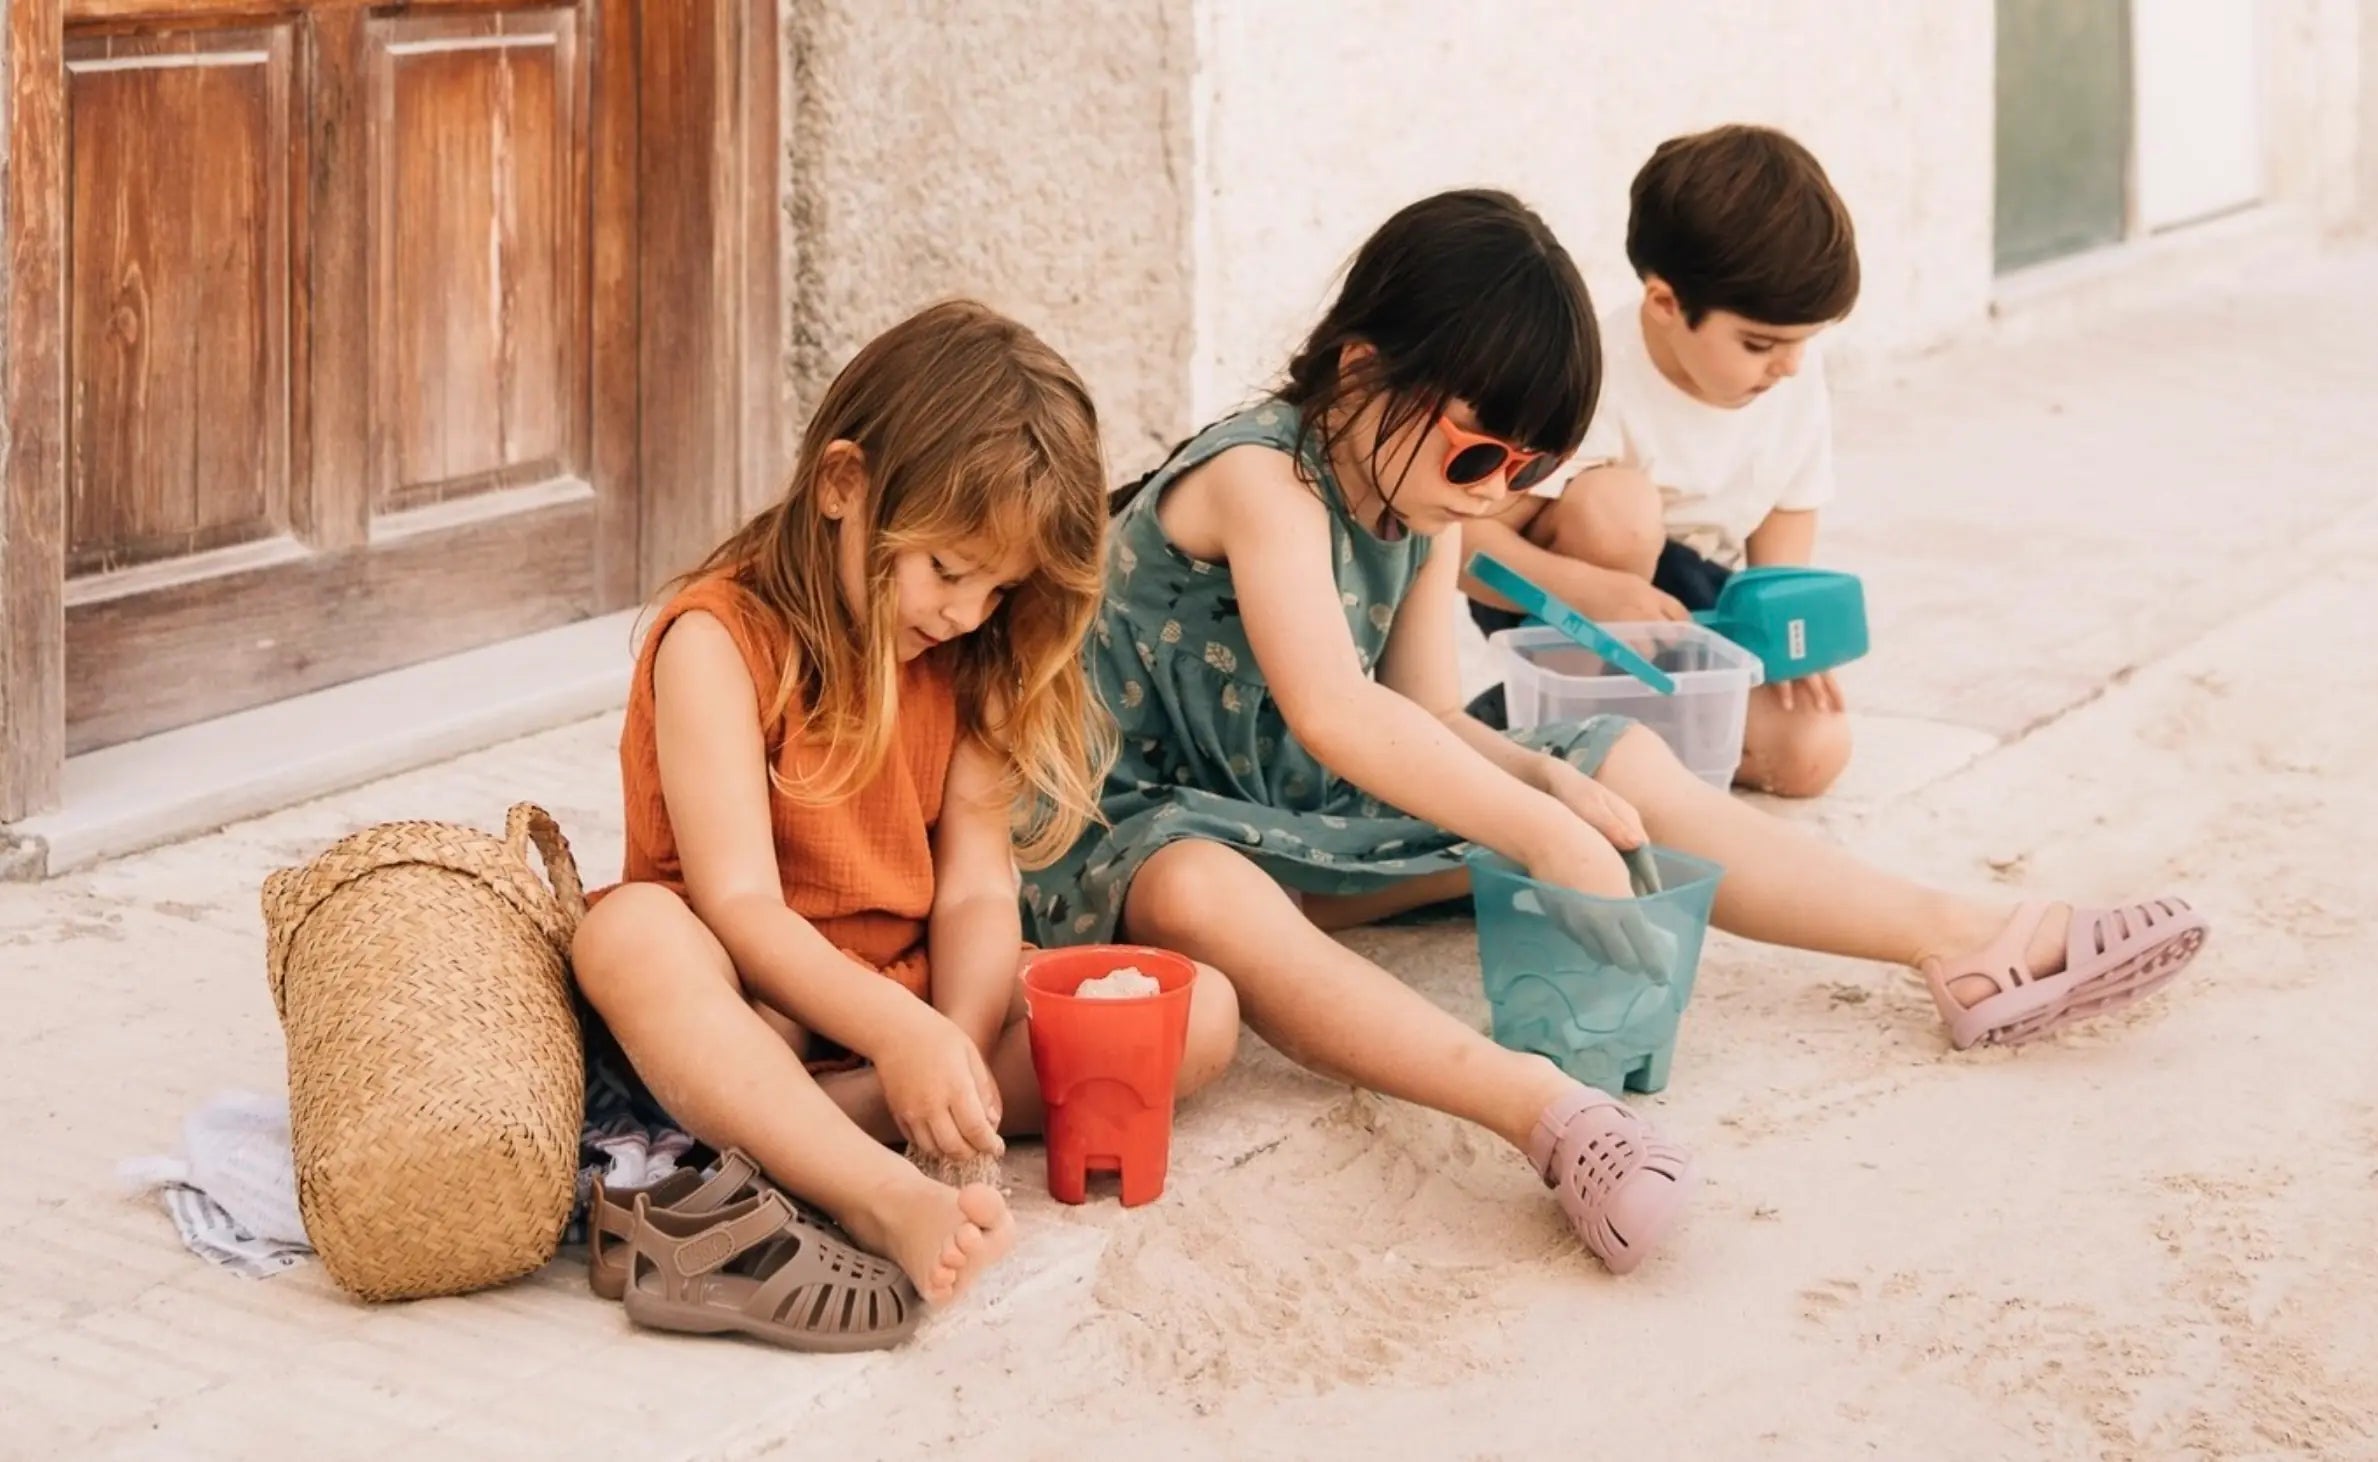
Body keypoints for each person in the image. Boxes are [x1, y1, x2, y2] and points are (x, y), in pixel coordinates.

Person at [1023, 190, 2208, 1276]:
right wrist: (1535, 830)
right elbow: (1340, 714)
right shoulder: (1260, 478)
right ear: (1359, 367)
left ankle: (1966, 938)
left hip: (1298, 811)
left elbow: (1428, 714)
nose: (1494, 491)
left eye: (1525, 467)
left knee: (1615, 763)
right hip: (1147, 827)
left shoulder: (1425, 498)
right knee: (1203, 896)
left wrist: (1554, 783)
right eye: (1478, 452)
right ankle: (1545, 1114)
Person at [571, 301, 1241, 1337]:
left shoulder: (971, 653)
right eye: (946, 571)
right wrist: (898, 1035)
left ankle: (805, 1143)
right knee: (625, 936)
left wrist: (952, 1047)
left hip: (911, 1005)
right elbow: (740, 906)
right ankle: (878, 1193)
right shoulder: (717, 640)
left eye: (998, 588)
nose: (966, 613)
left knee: (1197, 1011)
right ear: (844, 484)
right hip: (759, 1009)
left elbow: (976, 886)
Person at [1463, 125, 1859, 797]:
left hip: (1699, 607)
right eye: (1760, 344)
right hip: (1568, 594)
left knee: (1813, 752)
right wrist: (1586, 592)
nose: (1788, 366)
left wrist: (1785, 635)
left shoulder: (1793, 372)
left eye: (1804, 342)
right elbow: (1462, 544)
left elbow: (1786, 526)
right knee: (1621, 508)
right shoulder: (1591, 376)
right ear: (1666, 303)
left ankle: (1622, 738)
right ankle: (1574, 721)